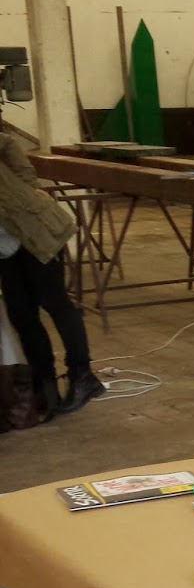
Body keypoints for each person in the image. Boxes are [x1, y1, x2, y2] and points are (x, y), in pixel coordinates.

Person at [0, 131, 104, 419]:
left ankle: (82, 375)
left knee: (56, 303)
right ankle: (44, 385)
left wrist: (29, 188)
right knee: (21, 314)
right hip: (7, 247)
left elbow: (8, 144)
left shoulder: (4, 143)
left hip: (37, 234)